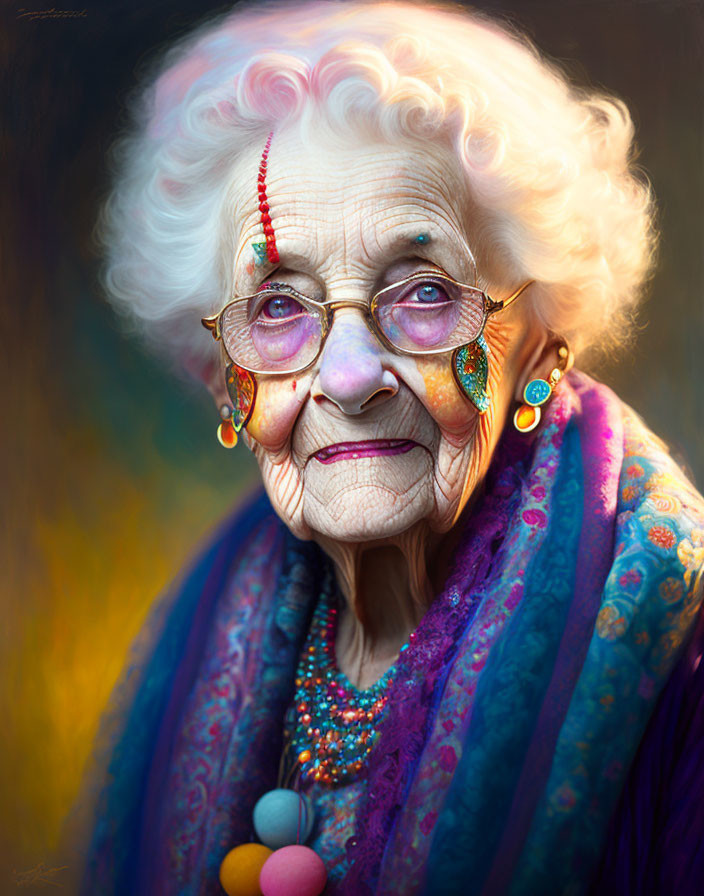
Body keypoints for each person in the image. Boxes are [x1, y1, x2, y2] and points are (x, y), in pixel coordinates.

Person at [75, 2, 704, 893]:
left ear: (538, 344)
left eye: (421, 292)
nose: (348, 377)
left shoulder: (685, 658)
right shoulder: (200, 631)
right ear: (225, 379)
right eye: (279, 307)